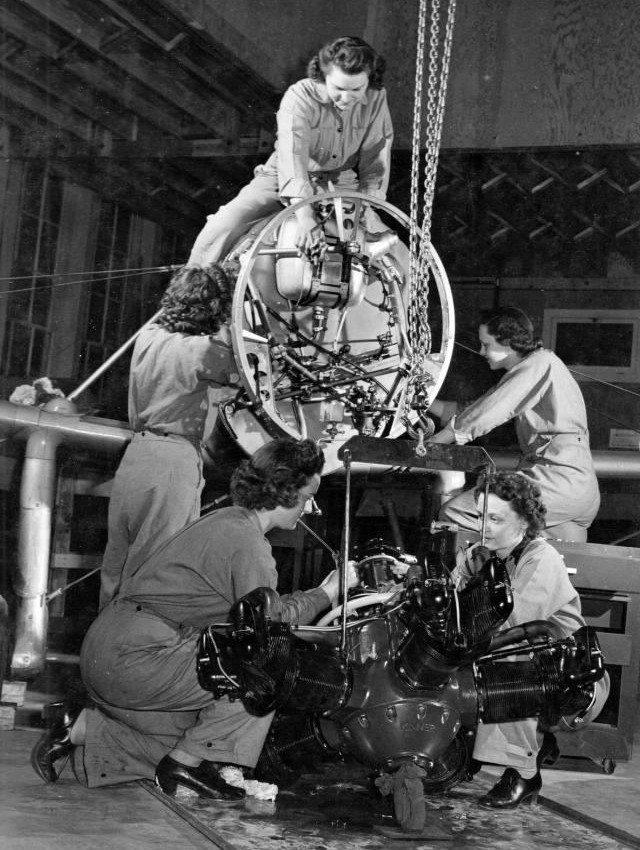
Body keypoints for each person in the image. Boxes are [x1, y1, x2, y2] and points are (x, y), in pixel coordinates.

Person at [31, 438, 359, 800]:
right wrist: (330, 591)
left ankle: (80, 730)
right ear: (286, 493)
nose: (311, 507)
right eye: (308, 495)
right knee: (266, 673)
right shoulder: (248, 543)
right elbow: (271, 626)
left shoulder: (226, 520)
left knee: (204, 739)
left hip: (111, 651)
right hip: (137, 657)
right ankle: (181, 769)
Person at [454, 472, 609, 809]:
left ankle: (523, 773)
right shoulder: (487, 555)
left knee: (504, 659)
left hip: (569, 674)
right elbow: (453, 592)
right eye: (480, 516)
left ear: (524, 520)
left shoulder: (541, 558)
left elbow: (514, 624)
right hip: (529, 658)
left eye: (495, 518)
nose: (485, 527)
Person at [98, 263, 238, 610]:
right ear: (213, 307)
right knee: (160, 567)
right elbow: (248, 372)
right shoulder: (205, 351)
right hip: (173, 461)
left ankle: (103, 651)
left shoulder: (148, 338)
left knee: (116, 567)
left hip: (135, 455)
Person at [186, 35, 393, 267]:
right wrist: (304, 215)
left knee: (389, 253)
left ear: (369, 82)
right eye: (339, 88)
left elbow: (377, 151)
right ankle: (191, 290)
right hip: (281, 176)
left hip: (339, 182)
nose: (347, 98)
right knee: (222, 226)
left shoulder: (376, 98)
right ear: (323, 77)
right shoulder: (299, 96)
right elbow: (292, 157)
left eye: (357, 89)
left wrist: (367, 199)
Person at [428, 306, 600, 542]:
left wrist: (441, 439)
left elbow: (488, 411)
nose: (481, 351)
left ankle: (469, 577)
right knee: (560, 566)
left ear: (508, 342)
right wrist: (425, 401)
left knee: (454, 513)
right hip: (574, 491)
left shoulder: (541, 363)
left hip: (556, 481)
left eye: (486, 344)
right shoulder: (527, 372)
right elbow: (475, 409)